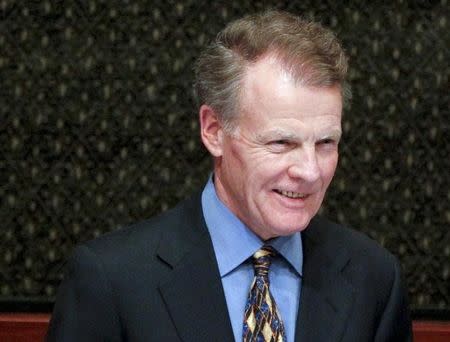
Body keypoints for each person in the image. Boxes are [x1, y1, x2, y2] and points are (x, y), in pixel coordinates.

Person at [47, 10, 412, 342]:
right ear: (214, 131)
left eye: (326, 143)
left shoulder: (373, 278)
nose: (310, 171)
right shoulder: (113, 280)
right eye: (281, 142)